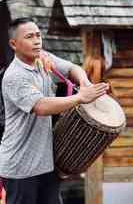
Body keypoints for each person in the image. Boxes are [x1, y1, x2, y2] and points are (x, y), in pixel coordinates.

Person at [0, 18, 109, 204]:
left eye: (38, 35)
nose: (36, 41)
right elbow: (41, 106)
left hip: (46, 164)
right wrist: (81, 97)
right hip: (20, 167)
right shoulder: (14, 76)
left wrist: (84, 82)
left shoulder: (43, 58)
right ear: (13, 44)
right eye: (29, 37)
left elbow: (72, 68)